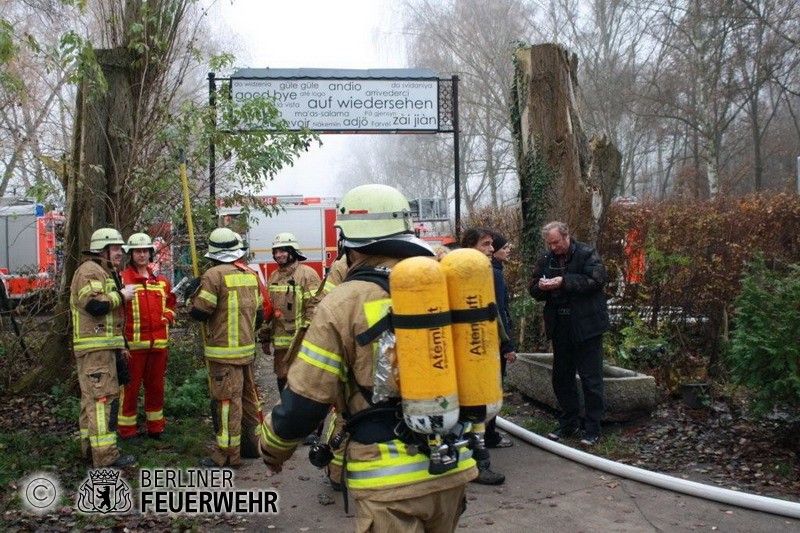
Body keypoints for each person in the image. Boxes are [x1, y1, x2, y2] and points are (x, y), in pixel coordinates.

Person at [259, 184, 477, 532]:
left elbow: (305, 401)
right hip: (453, 464)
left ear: (349, 241)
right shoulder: (443, 284)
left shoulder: (345, 302)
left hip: (389, 483)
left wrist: (272, 449)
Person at [186, 227, 267, 467]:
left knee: (225, 404)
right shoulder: (249, 274)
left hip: (222, 355)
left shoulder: (213, 275)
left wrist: (192, 295)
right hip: (246, 352)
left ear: (213, 252)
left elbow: (201, 311)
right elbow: (261, 314)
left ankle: (227, 455)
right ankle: (252, 447)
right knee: (249, 400)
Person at [529, 221, 610, 446]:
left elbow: (597, 280)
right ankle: (569, 421)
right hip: (560, 325)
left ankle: (593, 427)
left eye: (556, 242)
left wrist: (564, 282)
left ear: (567, 236)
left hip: (587, 326)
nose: (554, 247)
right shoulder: (546, 260)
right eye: (549, 244)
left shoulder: (586, 253)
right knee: (561, 377)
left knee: (590, 378)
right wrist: (542, 288)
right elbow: (533, 287)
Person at [70, 227, 137, 467]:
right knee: (102, 402)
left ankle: (90, 451)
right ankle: (106, 457)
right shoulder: (90, 270)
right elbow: (93, 306)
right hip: (95, 351)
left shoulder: (103, 271)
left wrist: (120, 345)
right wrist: (121, 295)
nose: (120, 253)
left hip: (102, 349)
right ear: (103, 250)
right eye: (116, 248)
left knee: (93, 400)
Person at [460, 228, 510, 486]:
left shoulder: (474, 271)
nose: (492, 249)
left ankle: (470, 459)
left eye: (492, 244)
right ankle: (477, 463)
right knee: (475, 406)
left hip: (476, 349)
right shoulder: (472, 272)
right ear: (470, 246)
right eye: (486, 244)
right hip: (471, 352)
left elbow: (493, 312)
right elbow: (495, 312)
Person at [118, 233, 177, 440]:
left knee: (156, 388)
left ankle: (156, 428)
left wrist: (168, 317)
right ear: (131, 254)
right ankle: (127, 430)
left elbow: (171, 304)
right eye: (137, 251)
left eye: (145, 251)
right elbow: (117, 313)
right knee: (130, 390)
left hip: (158, 345)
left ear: (150, 253)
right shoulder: (122, 279)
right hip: (133, 348)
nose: (142, 255)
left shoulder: (160, 281)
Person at [266, 232, 321, 393]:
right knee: (282, 377)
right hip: (280, 344)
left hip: (301, 342)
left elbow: (314, 307)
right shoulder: (274, 276)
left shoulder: (307, 274)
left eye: (282, 251)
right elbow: (268, 309)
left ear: (292, 251)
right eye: (276, 252)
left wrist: (310, 335)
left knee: (303, 380)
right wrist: (264, 337)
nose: (278, 255)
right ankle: (285, 411)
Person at [487, 231, 517, 446]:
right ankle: (490, 435)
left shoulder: (492, 271)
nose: (507, 251)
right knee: (494, 386)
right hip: (496, 341)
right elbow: (499, 310)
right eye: (503, 247)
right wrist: (508, 343)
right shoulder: (494, 273)